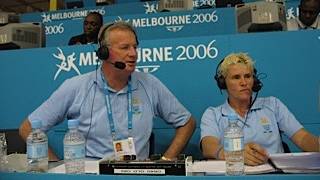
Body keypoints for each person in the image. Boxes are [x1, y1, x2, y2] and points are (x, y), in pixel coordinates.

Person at [19, 21, 196, 161]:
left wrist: (166, 159)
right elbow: (27, 129)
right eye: (125, 47)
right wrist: (56, 166)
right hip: (92, 175)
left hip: (136, 173)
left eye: (135, 47)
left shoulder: (149, 84)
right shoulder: (76, 86)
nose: (134, 53)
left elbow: (187, 123)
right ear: (103, 53)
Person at [200, 52, 319, 166]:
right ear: (223, 83)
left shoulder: (273, 105)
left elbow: (303, 138)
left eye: (248, 76)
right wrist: (234, 155)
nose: (244, 82)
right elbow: (208, 147)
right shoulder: (213, 114)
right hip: (235, 174)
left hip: (274, 174)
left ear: (254, 80)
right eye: (236, 77)